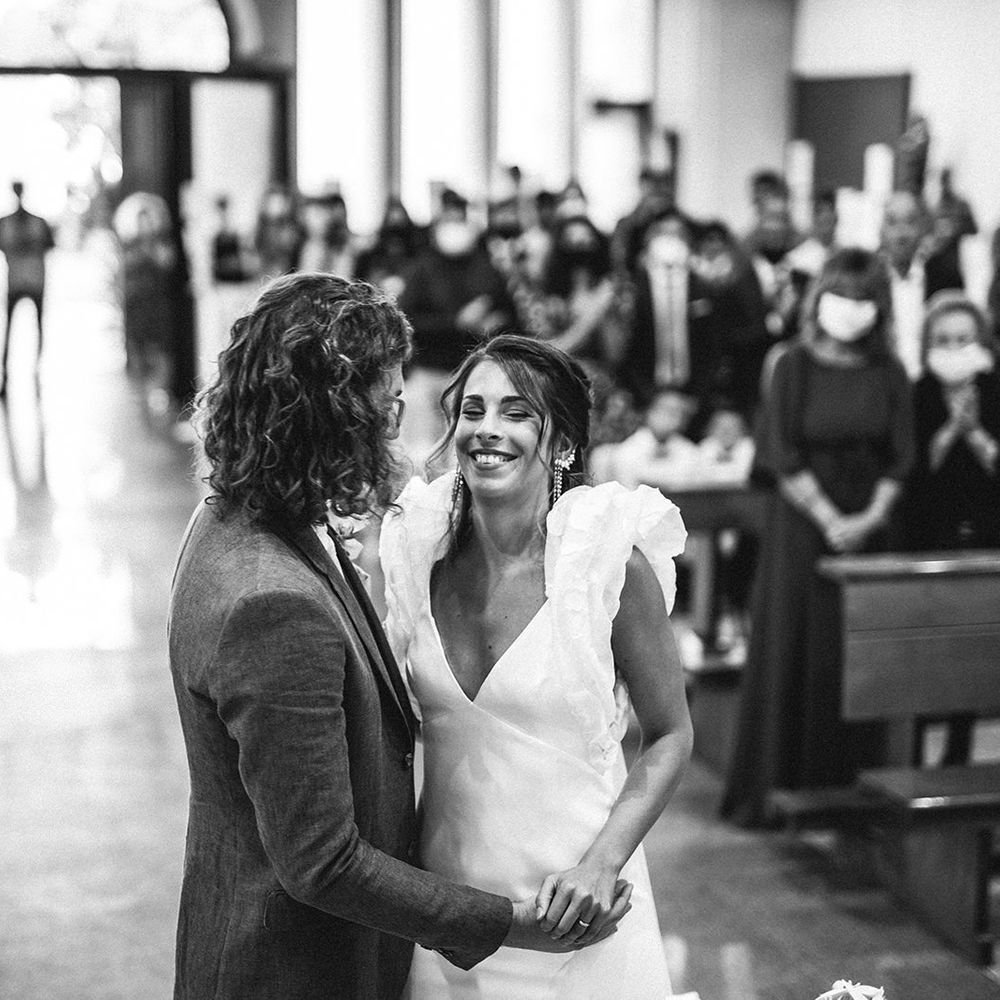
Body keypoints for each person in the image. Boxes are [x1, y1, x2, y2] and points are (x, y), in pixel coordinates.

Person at [168, 276, 602, 1000]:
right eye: (389, 405)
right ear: (337, 416)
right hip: (293, 969)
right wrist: (510, 923)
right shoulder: (272, 601)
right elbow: (324, 863)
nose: (396, 429)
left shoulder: (230, 518)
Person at [381, 334, 693, 999]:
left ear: (563, 443)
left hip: (573, 908)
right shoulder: (417, 552)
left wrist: (604, 864)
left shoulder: (606, 562)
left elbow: (670, 734)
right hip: (455, 917)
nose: (487, 429)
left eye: (517, 412)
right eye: (473, 410)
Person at [720, 249, 915, 827]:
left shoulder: (891, 371)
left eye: (864, 299)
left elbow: (900, 460)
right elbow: (779, 452)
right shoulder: (792, 364)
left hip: (872, 529)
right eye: (842, 295)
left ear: (878, 308)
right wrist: (830, 518)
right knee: (793, 646)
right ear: (819, 299)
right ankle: (778, 791)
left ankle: (850, 792)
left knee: (856, 659)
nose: (852, 309)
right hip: (800, 528)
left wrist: (867, 519)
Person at [898, 291, 999, 767]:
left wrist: (975, 431)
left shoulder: (995, 389)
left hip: (986, 533)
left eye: (963, 338)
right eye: (943, 339)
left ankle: (958, 751)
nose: (954, 348)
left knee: (971, 655)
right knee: (922, 655)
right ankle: (912, 754)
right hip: (928, 532)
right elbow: (912, 471)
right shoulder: (917, 393)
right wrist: (950, 431)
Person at [880, 190, 964, 380]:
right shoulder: (870, 279)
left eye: (910, 222)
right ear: (881, 229)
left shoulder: (945, 277)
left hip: (931, 387)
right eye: (892, 222)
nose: (901, 233)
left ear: (923, 227)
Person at [0, 180, 55, 398]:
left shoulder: (31, 222)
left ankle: (34, 369)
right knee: (14, 328)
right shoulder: (10, 223)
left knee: (29, 326)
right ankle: (9, 372)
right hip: (23, 281)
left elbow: (49, 245)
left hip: (30, 281)